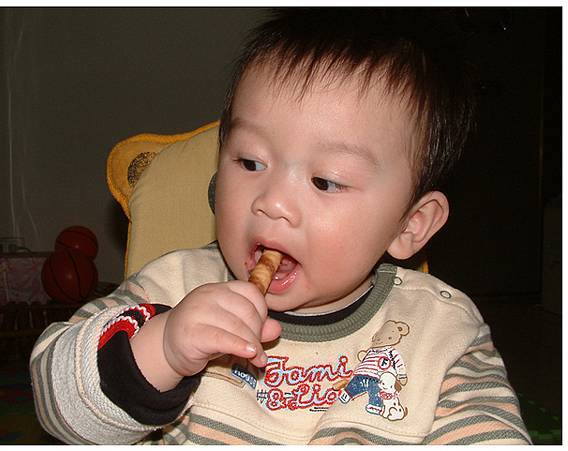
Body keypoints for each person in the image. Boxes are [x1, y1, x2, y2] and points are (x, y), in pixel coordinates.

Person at [30, 8, 531, 445]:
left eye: (326, 181)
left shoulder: (440, 331)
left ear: (410, 226)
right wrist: (161, 349)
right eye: (250, 162)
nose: (271, 202)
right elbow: (55, 404)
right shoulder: (170, 288)